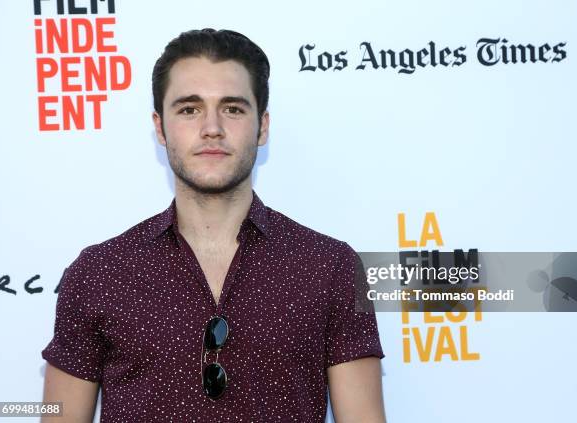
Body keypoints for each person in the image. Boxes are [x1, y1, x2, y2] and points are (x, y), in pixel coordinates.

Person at [41, 28, 386, 422]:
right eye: (189, 109)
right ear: (159, 127)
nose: (212, 128)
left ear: (263, 127)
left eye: (233, 109)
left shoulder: (331, 266)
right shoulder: (98, 273)